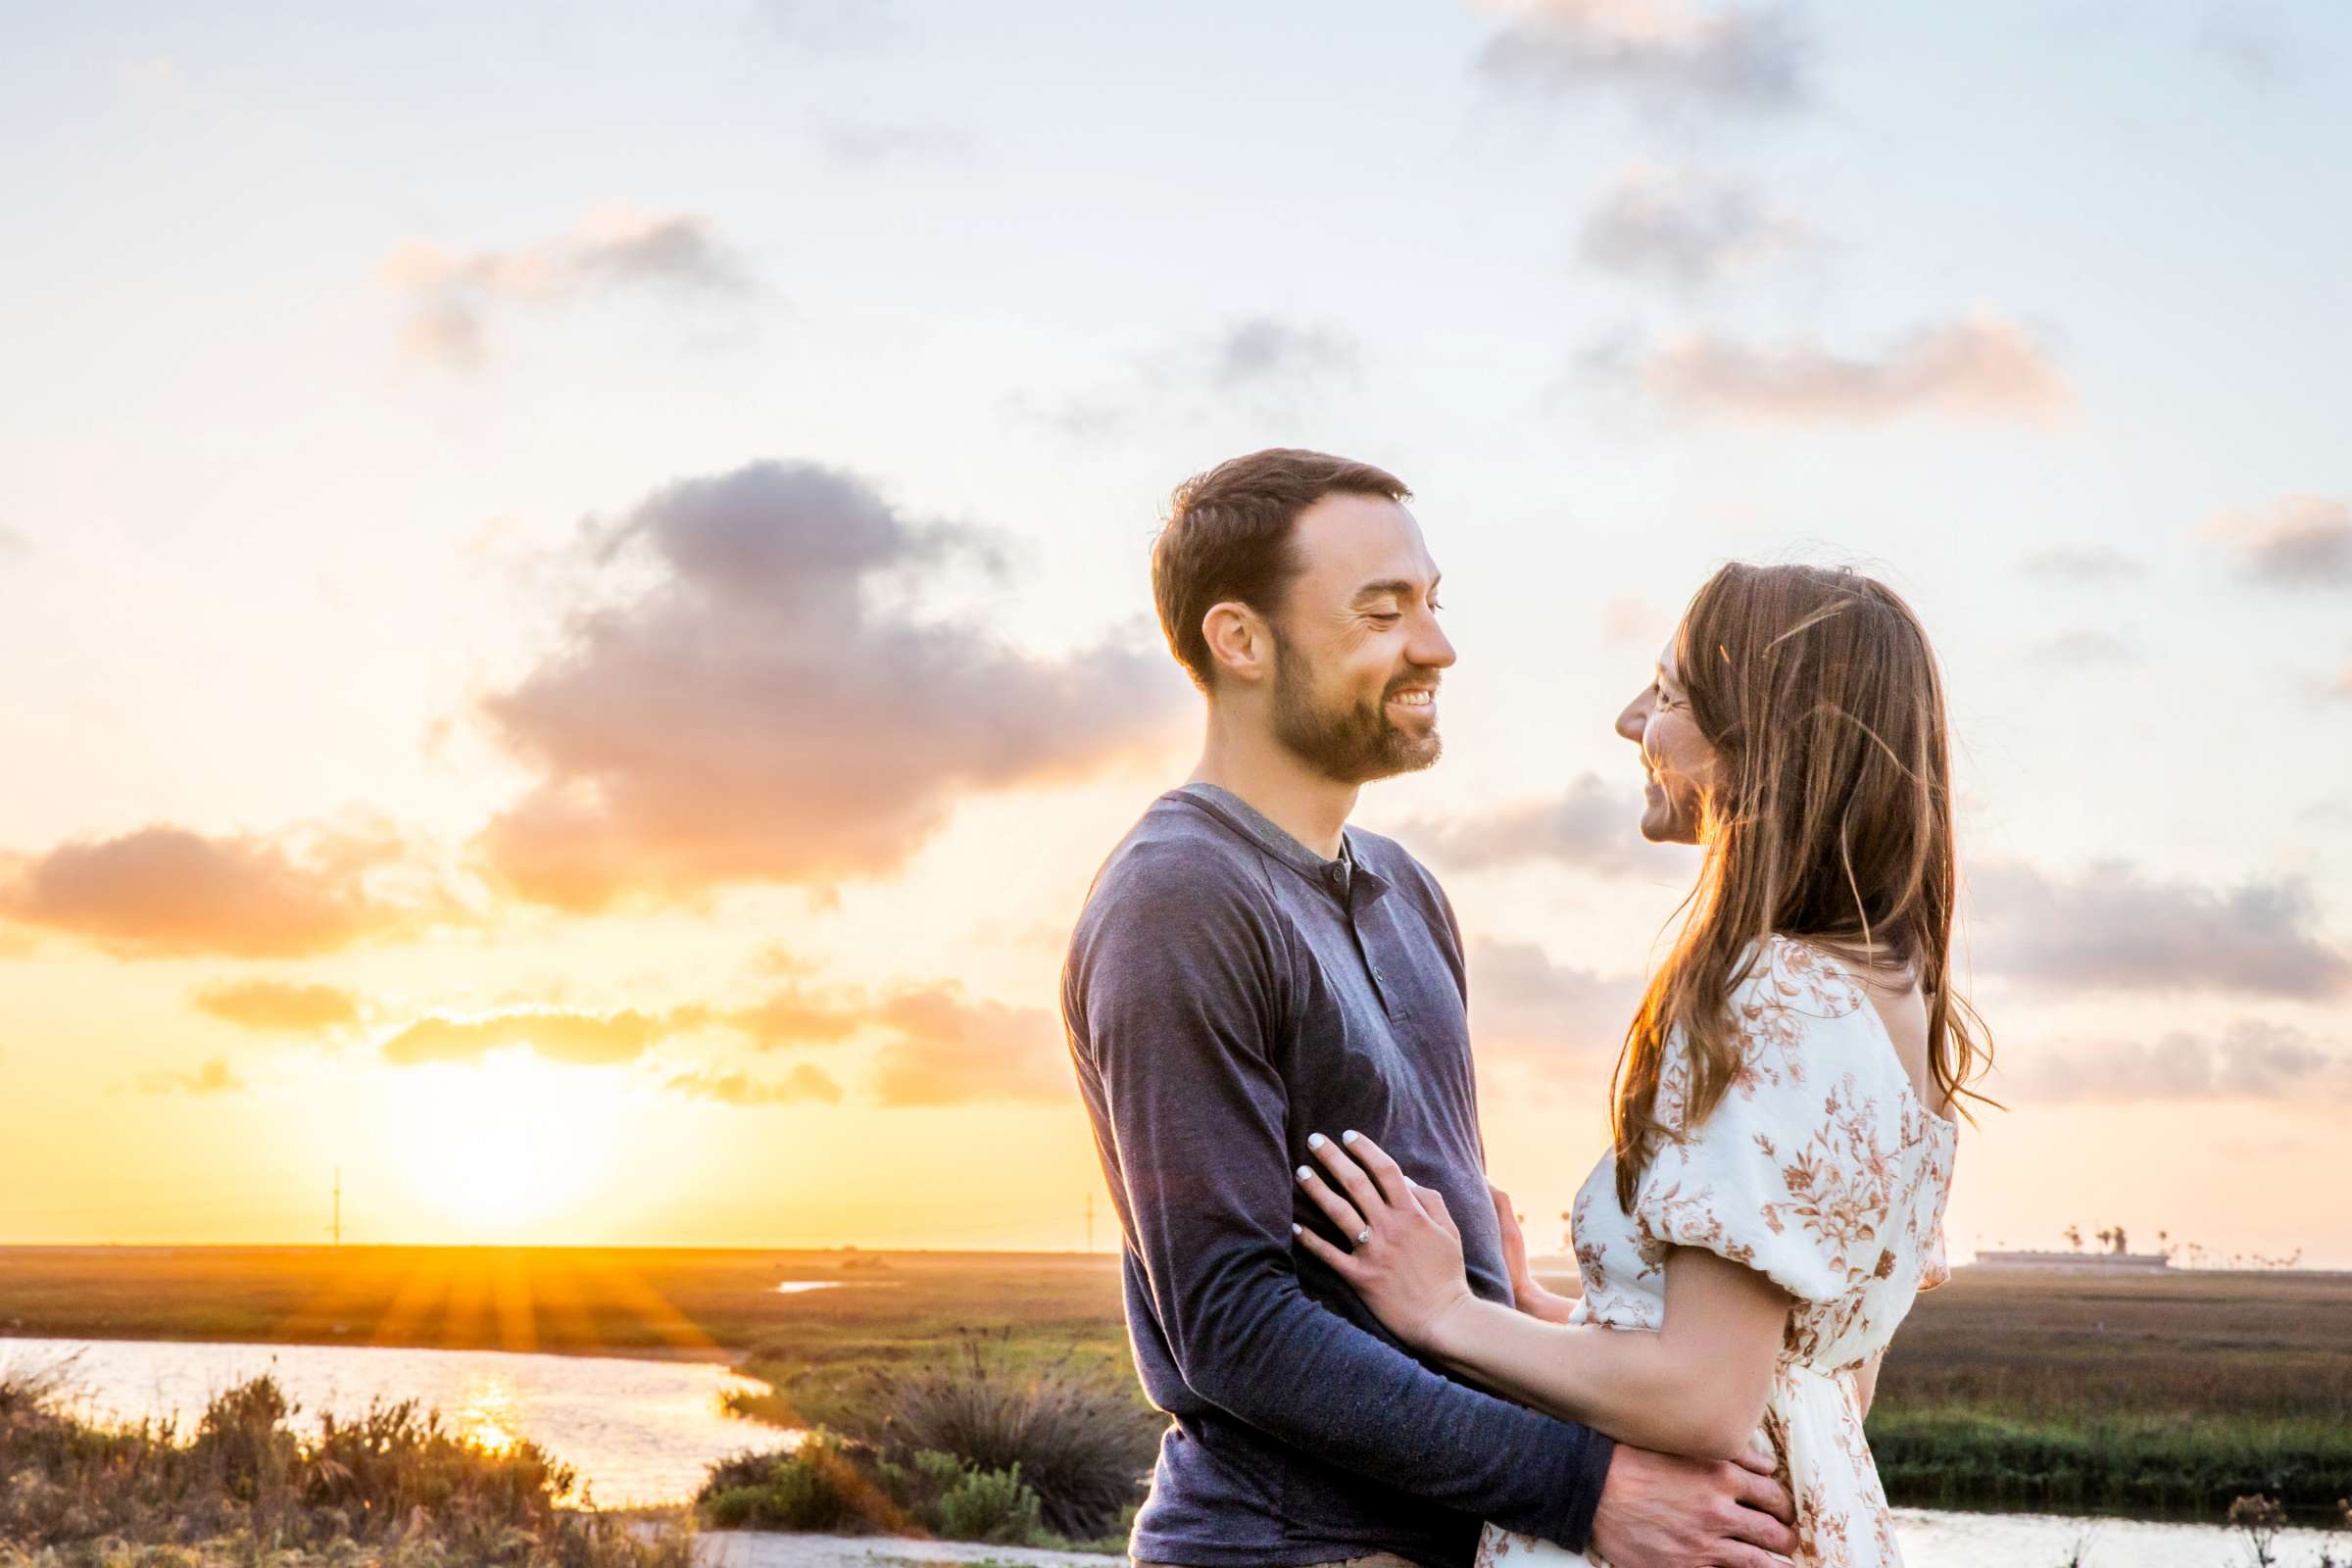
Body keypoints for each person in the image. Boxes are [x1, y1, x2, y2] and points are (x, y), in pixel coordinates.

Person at [1061, 451, 1801, 1568]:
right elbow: (1233, 1328)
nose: (1437, 646)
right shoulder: (1179, 898)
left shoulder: (1408, 891)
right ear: (1240, 640)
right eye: (1382, 612)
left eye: (1433, 603)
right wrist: (1583, 1487)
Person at [1292, 563, 1991, 1568]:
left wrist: (1446, 1312)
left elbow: (1706, 1395)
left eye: (1666, 694)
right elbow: (1814, 1366)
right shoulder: (1899, 1007)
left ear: (1765, 741)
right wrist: (1539, 1311)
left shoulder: (1773, 997)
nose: (1631, 720)